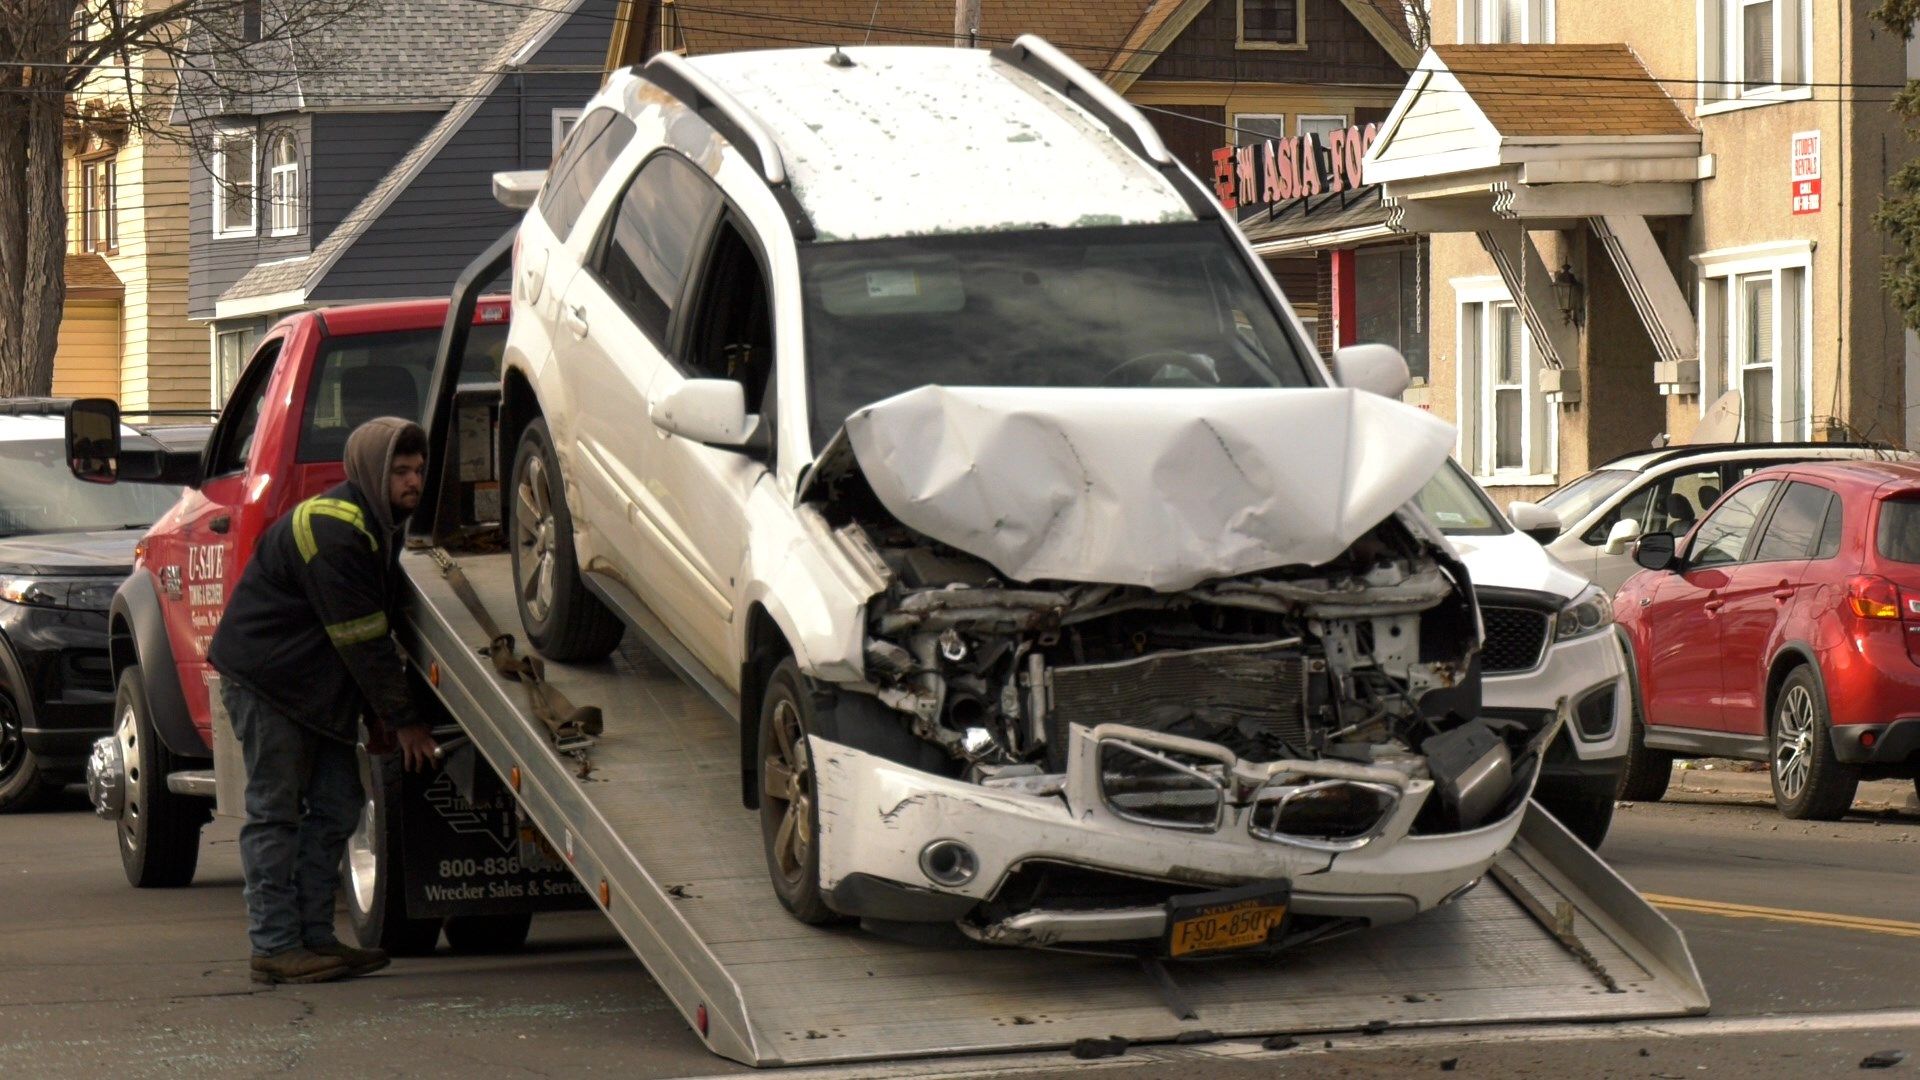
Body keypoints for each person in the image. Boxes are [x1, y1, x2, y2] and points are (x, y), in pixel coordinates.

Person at [208, 416, 440, 985]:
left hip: (312, 687)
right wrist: (402, 721)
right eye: (401, 471)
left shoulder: (377, 525)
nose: (413, 481)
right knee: (275, 810)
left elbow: (363, 634)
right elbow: (362, 638)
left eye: (418, 470)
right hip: (269, 683)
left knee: (338, 805)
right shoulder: (335, 528)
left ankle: (314, 938)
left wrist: (379, 715)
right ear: (372, 471)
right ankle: (274, 946)